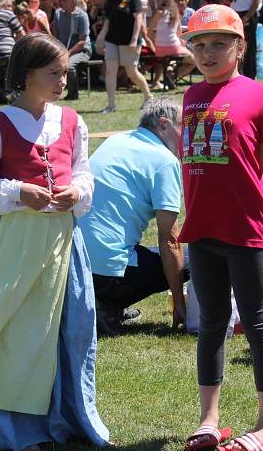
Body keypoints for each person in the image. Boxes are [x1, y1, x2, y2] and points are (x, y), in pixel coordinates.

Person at [0, 32, 110, 451]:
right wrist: (19, 191)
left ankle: (69, 417)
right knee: (17, 333)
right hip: (17, 243)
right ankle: (11, 428)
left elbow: (83, 174)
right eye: (53, 73)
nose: (62, 81)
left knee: (69, 331)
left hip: (63, 241)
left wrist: (77, 192)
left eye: (65, 73)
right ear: (25, 76)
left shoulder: (73, 123)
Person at [179, 4, 263, 451]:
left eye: (218, 44)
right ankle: (209, 419)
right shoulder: (190, 96)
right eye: (199, 45)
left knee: (258, 322)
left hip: (247, 228)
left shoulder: (258, 95)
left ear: (239, 47)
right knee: (211, 324)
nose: (208, 53)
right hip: (201, 229)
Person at [80, 97, 187, 336]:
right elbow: (170, 240)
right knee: (195, 257)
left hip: (76, 266)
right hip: (107, 272)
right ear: (163, 125)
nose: (188, 135)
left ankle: (101, 304)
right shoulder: (165, 161)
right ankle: (107, 304)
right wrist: (180, 303)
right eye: (185, 126)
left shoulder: (116, 140)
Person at [95, 0, 152, 114]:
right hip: (112, 39)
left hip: (129, 41)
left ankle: (148, 97)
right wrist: (101, 37)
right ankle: (111, 105)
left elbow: (138, 18)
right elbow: (108, 20)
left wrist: (134, 40)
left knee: (131, 72)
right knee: (110, 71)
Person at [51, 0, 91, 101]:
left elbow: (82, 42)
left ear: (73, 2)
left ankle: (72, 95)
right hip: (62, 50)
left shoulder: (82, 16)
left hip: (81, 50)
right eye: (61, 0)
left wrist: (68, 53)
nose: (61, 2)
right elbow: (55, 35)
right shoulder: (58, 13)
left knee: (69, 66)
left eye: (64, 0)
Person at [149, 0, 195, 88]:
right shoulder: (175, 13)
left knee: (164, 60)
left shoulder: (159, 12)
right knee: (194, 60)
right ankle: (173, 76)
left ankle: (160, 79)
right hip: (174, 46)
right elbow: (179, 34)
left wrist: (152, 43)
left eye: (157, 0)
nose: (156, 1)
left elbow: (150, 30)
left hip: (159, 48)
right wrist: (183, 45)